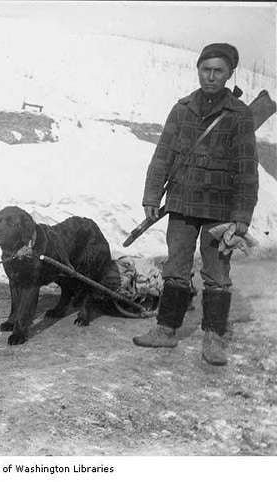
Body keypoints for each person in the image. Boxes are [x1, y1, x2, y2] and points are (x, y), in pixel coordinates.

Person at [132, 43, 259, 366]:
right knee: (176, 267)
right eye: (206, 69)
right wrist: (151, 195)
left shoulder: (239, 115)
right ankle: (166, 330)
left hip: (221, 210)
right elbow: (163, 155)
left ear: (230, 74)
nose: (211, 76)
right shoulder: (182, 108)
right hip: (182, 202)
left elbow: (247, 170)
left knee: (216, 273)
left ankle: (214, 338)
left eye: (218, 71)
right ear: (198, 70)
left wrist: (242, 216)